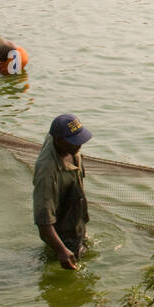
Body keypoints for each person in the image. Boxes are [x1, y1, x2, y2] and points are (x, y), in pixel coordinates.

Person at [34, 113, 92, 271]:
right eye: (74, 142)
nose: (79, 146)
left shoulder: (67, 146)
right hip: (62, 230)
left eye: (79, 139)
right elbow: (43, 221)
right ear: (58, 140)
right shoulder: (47, 173)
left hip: (73, 203)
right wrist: (61, 251)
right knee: (70, 264)